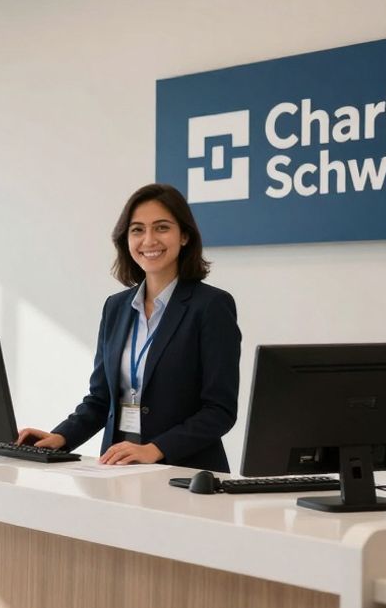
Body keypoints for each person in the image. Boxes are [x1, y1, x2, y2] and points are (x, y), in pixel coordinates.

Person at [17, 183, 240, 471]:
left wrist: (154, 449)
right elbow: (101, 400)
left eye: (161, 228)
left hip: (185, 474)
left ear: (184, 236)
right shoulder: (116, 307)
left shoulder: (211, 306)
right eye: (137, 230)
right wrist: (61, 436)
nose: (149, 240)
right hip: (118, 469)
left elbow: (219, 411)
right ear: (126, 239)